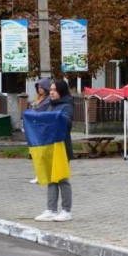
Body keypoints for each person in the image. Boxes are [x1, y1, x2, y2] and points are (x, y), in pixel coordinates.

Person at [35, 80, 75, 222]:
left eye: (54, 90)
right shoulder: (51, 105)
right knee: (51, 179)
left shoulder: (67, 105)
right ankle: (51, 210)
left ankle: (66, 210)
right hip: (50, 146)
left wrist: (55, 119)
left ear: (62, 91)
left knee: (62, 179)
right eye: (50, 89)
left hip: (62, 147)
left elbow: (67, 122)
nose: (51, 92)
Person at [28, 79, 52, 184]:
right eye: (38, 87)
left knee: (42, 153)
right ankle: (39, 174)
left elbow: (39, 110)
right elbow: (32, 109)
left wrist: (33, 109)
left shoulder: (48, 99)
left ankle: (43, 175)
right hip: (34, 127)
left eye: (41, 87)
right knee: (36, 153)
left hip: (42, 128)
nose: (39, 89)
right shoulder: (38, 99)